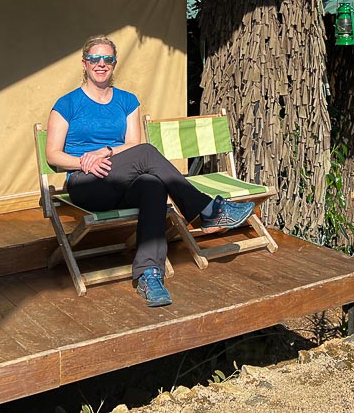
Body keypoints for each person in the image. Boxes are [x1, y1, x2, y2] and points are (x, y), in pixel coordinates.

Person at [46, 35, 255, 307]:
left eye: (107, 59)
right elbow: (53, 155)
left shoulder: (127, 101)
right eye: (95, 59)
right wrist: (86, 161)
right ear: (84, 63)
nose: (101, 64)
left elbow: (131, 144)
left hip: (120, 179)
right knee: (146, 152)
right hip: (86, 184)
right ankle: (206, 210)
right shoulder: (68, 104)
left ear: (114, 63)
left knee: (152, 185)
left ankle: (149, 274)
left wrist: (106, 152)